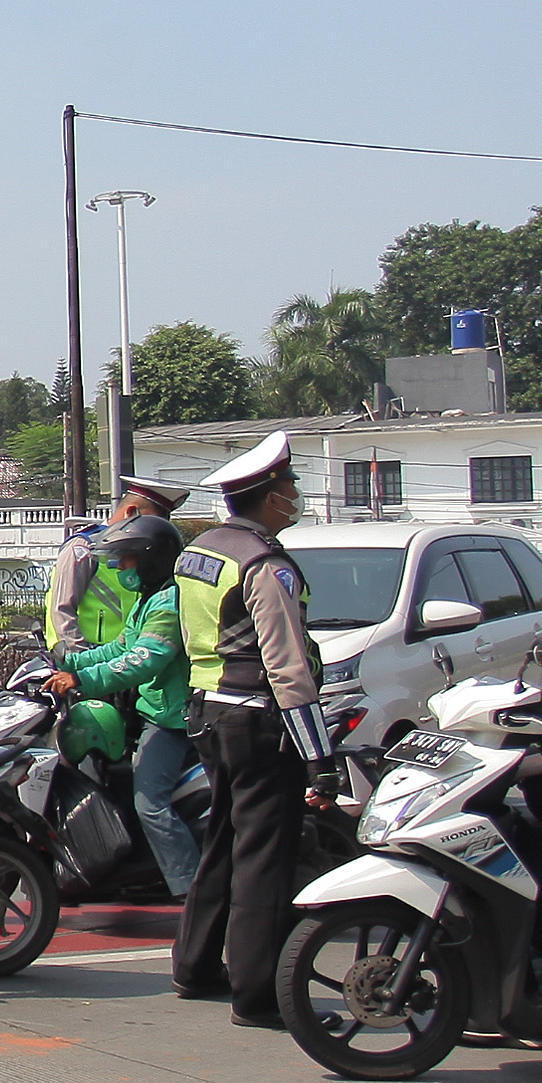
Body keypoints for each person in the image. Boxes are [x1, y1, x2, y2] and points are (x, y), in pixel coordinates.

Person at [170, 434, 337, 1022]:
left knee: (223, 837)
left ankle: (193, 965)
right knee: (265, 854)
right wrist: (320, 756)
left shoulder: (203, 549)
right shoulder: (266, 564)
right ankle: (257, 991)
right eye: (290, 487)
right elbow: (287, 666)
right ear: (270, 498)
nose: (296, 496)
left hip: (208, 712)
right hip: (257, 717)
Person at [52, 514, 200, 897]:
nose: (118, 566)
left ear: (151, 558)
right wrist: (66, 661)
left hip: (172, 720)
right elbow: (121, 648)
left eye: (127, 558)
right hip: (153, 710)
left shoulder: (168, 604)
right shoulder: (148, 599)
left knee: (150, 803)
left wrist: (81, 680)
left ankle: (191, 887)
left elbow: (143, 660)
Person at [47, 475, 191, 648]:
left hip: (129, 658)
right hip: (91, 658)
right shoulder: (84, 546)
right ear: (131, 512)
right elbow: (62, 609)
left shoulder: (143, 548)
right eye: (149, 521)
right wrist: (78, 657)